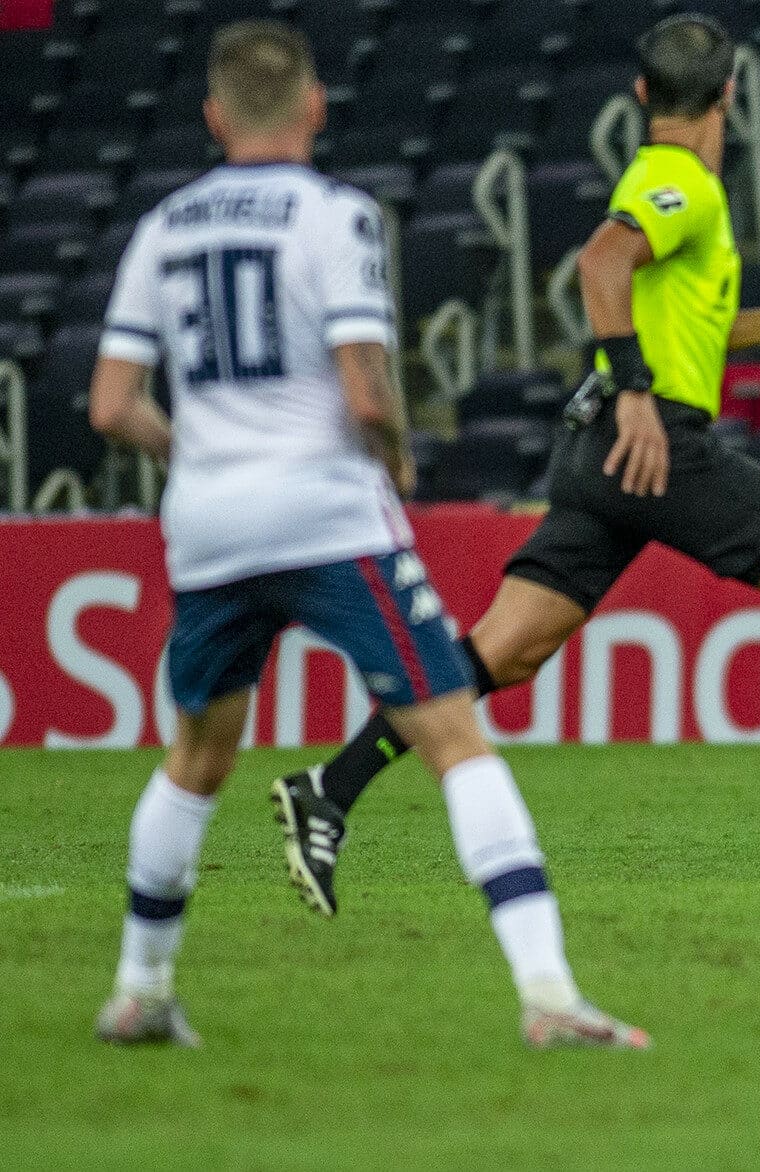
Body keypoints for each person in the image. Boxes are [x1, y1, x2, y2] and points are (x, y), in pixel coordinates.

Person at [271, 14, 760, 913]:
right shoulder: (681, 182)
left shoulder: (665, 181)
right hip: (650, 438)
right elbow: (601, 261)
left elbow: (680, 322)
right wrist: (632, 388)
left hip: (601, 451)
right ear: (731, 96)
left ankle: (330, 791)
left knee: (503, 654)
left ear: (640, 95)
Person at [87, 21, 645, 1048]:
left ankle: (138, 988)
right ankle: (550, 995)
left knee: (198, 753)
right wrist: (390, 454)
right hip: (323, 509)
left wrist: (201, 451)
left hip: (208, 523)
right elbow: (361, 379)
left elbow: (112, 402)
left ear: (214, 116)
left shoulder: (163, 225)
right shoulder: (332, 215)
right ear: (314, 107)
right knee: (452, 735)